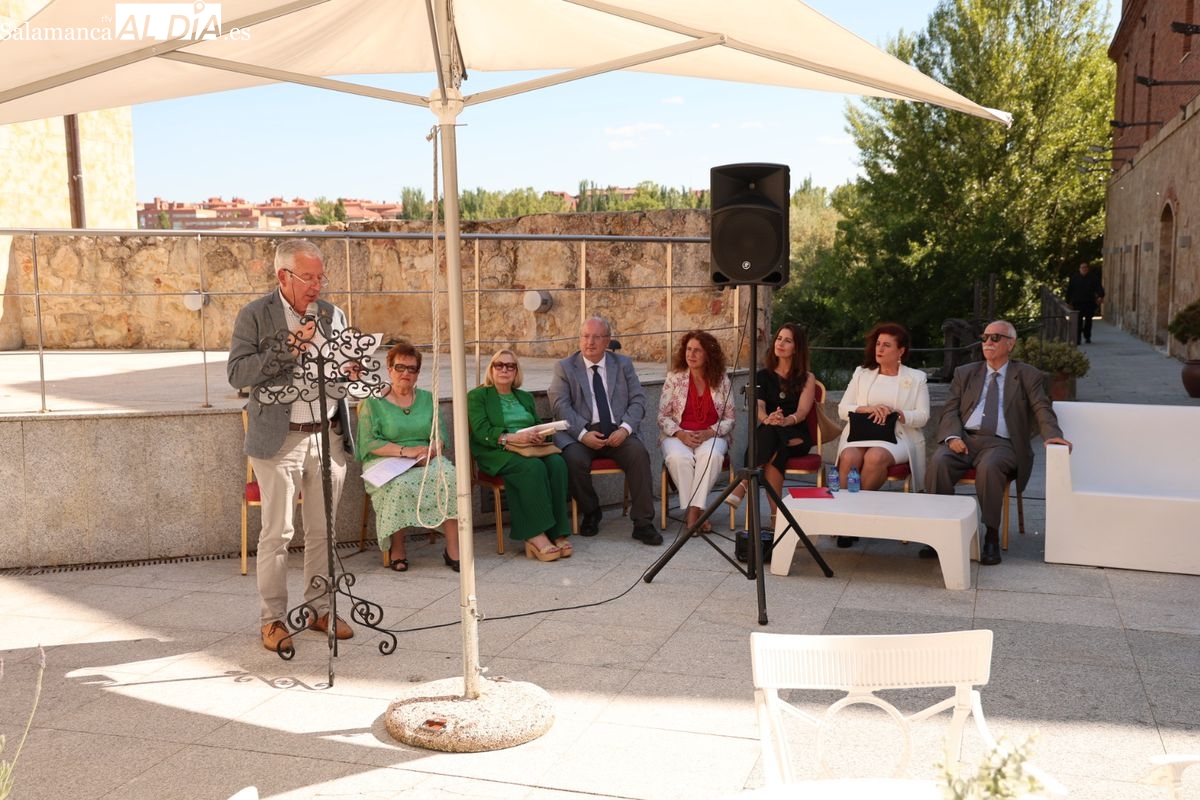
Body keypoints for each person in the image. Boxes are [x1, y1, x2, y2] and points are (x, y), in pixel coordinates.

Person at [228, 239, 356, 652]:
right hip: (279, 440)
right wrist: (290, 348)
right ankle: (273, 620)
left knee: (323, 531)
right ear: (283, 276)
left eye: (320, 277)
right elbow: (238, 374)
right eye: (308, 278)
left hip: (327, 435)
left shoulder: (333, 315)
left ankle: (320, 608)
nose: (317, 286)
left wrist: (350, 367)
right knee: (278, 533)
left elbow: (339, 367)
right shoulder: (255, 315)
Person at [925, 320, 1072, 566]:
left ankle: (991, 535)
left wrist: (1052, 434)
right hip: (966, 439)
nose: (988, 342)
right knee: (939, 461)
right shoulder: (966, 373)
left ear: (1010, 344)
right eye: (984, 338)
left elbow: (1041, 407)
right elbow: (950, 411)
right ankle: (938, 533)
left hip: (1002, 444)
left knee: (990, 467)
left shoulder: (1027, 375)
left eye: (995, 338)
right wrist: (952, 437)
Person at [548, 316, 660, 545]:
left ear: (607, 340)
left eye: (596, 337)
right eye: (585, 336)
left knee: (639, 454)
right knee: (572, 459)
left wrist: (626, 429)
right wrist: (582, 433)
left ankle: (643, 523)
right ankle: (591, 511)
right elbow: (560, 405)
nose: (590, 342)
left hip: (617, 432)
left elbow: (638, 399)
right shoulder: (565, 367)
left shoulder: (622, 364)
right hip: (581, 434)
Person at [356, 340, 461, 573]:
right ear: (389, 368)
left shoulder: (427, 399)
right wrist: (405, 452)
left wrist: (431, 451)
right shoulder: (373, 401)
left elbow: (440, 435)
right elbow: (369, 443)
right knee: (400, 485)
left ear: (418, 373)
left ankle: (453, 548)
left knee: (451, 477)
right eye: (400, 367)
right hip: (387, 459)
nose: (405, 373)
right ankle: (398, 548)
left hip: (425, 457)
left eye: (411, 368)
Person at [468, 350, 572, 562]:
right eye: (499, 365)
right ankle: (535, 534)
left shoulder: (523, 396)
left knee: (557, 463)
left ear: (516, 371)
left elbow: (534, 423)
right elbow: (481, 432)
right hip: (497, 451)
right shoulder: (478, 396)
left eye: (510, 366)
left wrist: (538, 435)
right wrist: (513, 438)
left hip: (529, 448)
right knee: (532, 467)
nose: (504, 369)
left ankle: (557, 531)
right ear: (491, 368)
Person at [725, 322, 816, 525]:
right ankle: (777, 517)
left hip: (797, 435)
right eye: (779, 338)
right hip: (776, 435)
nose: (780, 343)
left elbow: (802, 412)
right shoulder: (762, 376)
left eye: (788, 340)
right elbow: (758, 405)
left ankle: (744, 483)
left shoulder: (807, 378)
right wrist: (767, 418)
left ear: (797, 348)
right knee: (776, 449)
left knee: (771, 434)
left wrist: (785, 420)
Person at [657, 330, 736, 532]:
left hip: (711, 433)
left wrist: (710, 432)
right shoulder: (674, 378)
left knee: (711, 456)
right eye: (689, 350)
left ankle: (692, 512)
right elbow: (662, 417)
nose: (691, 355)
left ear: (708, 355)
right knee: (677, 458)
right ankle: (699, 512)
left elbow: (730, 419)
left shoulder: (722, 380)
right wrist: (680, 434)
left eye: (697, 351)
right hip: (678, 433)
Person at [835, 322, 930, 490]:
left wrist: (898, 413)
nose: (880, 349)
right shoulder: (861, 373)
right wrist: (867, 409)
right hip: (860, 434)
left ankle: (857, 507)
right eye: (878, 344)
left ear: (901, 351)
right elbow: (843, 409)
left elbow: (923, 416)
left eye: (887, 345)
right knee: (849, 456)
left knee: (875, 457)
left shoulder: (917, 378)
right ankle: (843, 507)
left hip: (897, 437)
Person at [1065, 261, 1105, 344]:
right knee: (1078, 321)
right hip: (1078, 303)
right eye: (1082, 268)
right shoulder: (1075, 278)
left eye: (1085, 268)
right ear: (1079, 269)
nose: (1084, 269)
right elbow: (1070, 290)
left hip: (1089, 303)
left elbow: (1099, 288)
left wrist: (1100, 296)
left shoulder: (1093, 278)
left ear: (1088, 269)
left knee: (1088, 321)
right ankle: (1078, 338)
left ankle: (1087, 337)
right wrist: (1068, 301)